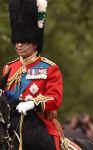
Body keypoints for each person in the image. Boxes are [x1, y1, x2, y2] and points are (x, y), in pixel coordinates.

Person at [2, 0, 63, 149]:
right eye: (17, 41)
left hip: (40, 126)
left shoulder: (49, 68)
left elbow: (55, 99)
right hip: (11, 127)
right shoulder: (9, 68)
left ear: (34, 43)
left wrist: (34, 103)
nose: (18, 45)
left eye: (23, 41)